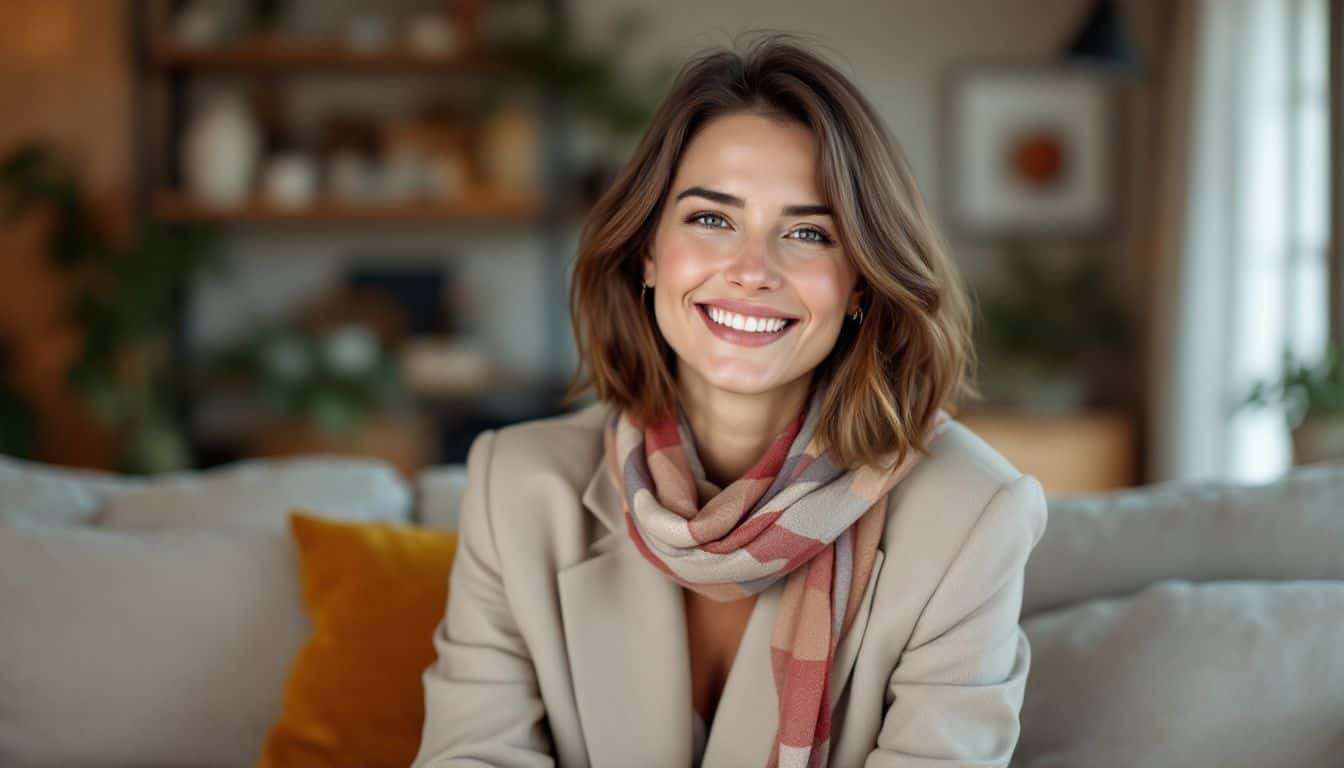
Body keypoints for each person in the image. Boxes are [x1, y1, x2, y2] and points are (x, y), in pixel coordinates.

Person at [413, 32, 1048, 768]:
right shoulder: (514, 488)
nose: (752, 271)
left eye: (807, 233)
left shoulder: (972, 516)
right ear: (649, 252)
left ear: (861, 284)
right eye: (712, 219)